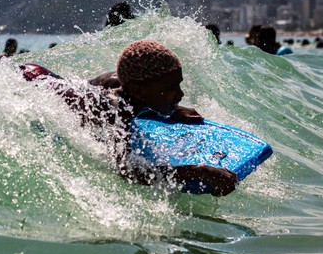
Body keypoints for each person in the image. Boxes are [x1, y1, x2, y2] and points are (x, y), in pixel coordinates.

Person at [21, 40, 237, 196]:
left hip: (48, 76)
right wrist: (195, 171)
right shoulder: (114, 112)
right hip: (29, 82)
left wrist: (173, 108)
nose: (180, 94)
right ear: (139, 91)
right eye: (171, 88)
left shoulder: (128, 83)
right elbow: (129, 171)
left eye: (178, 84)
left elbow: (141, 99)